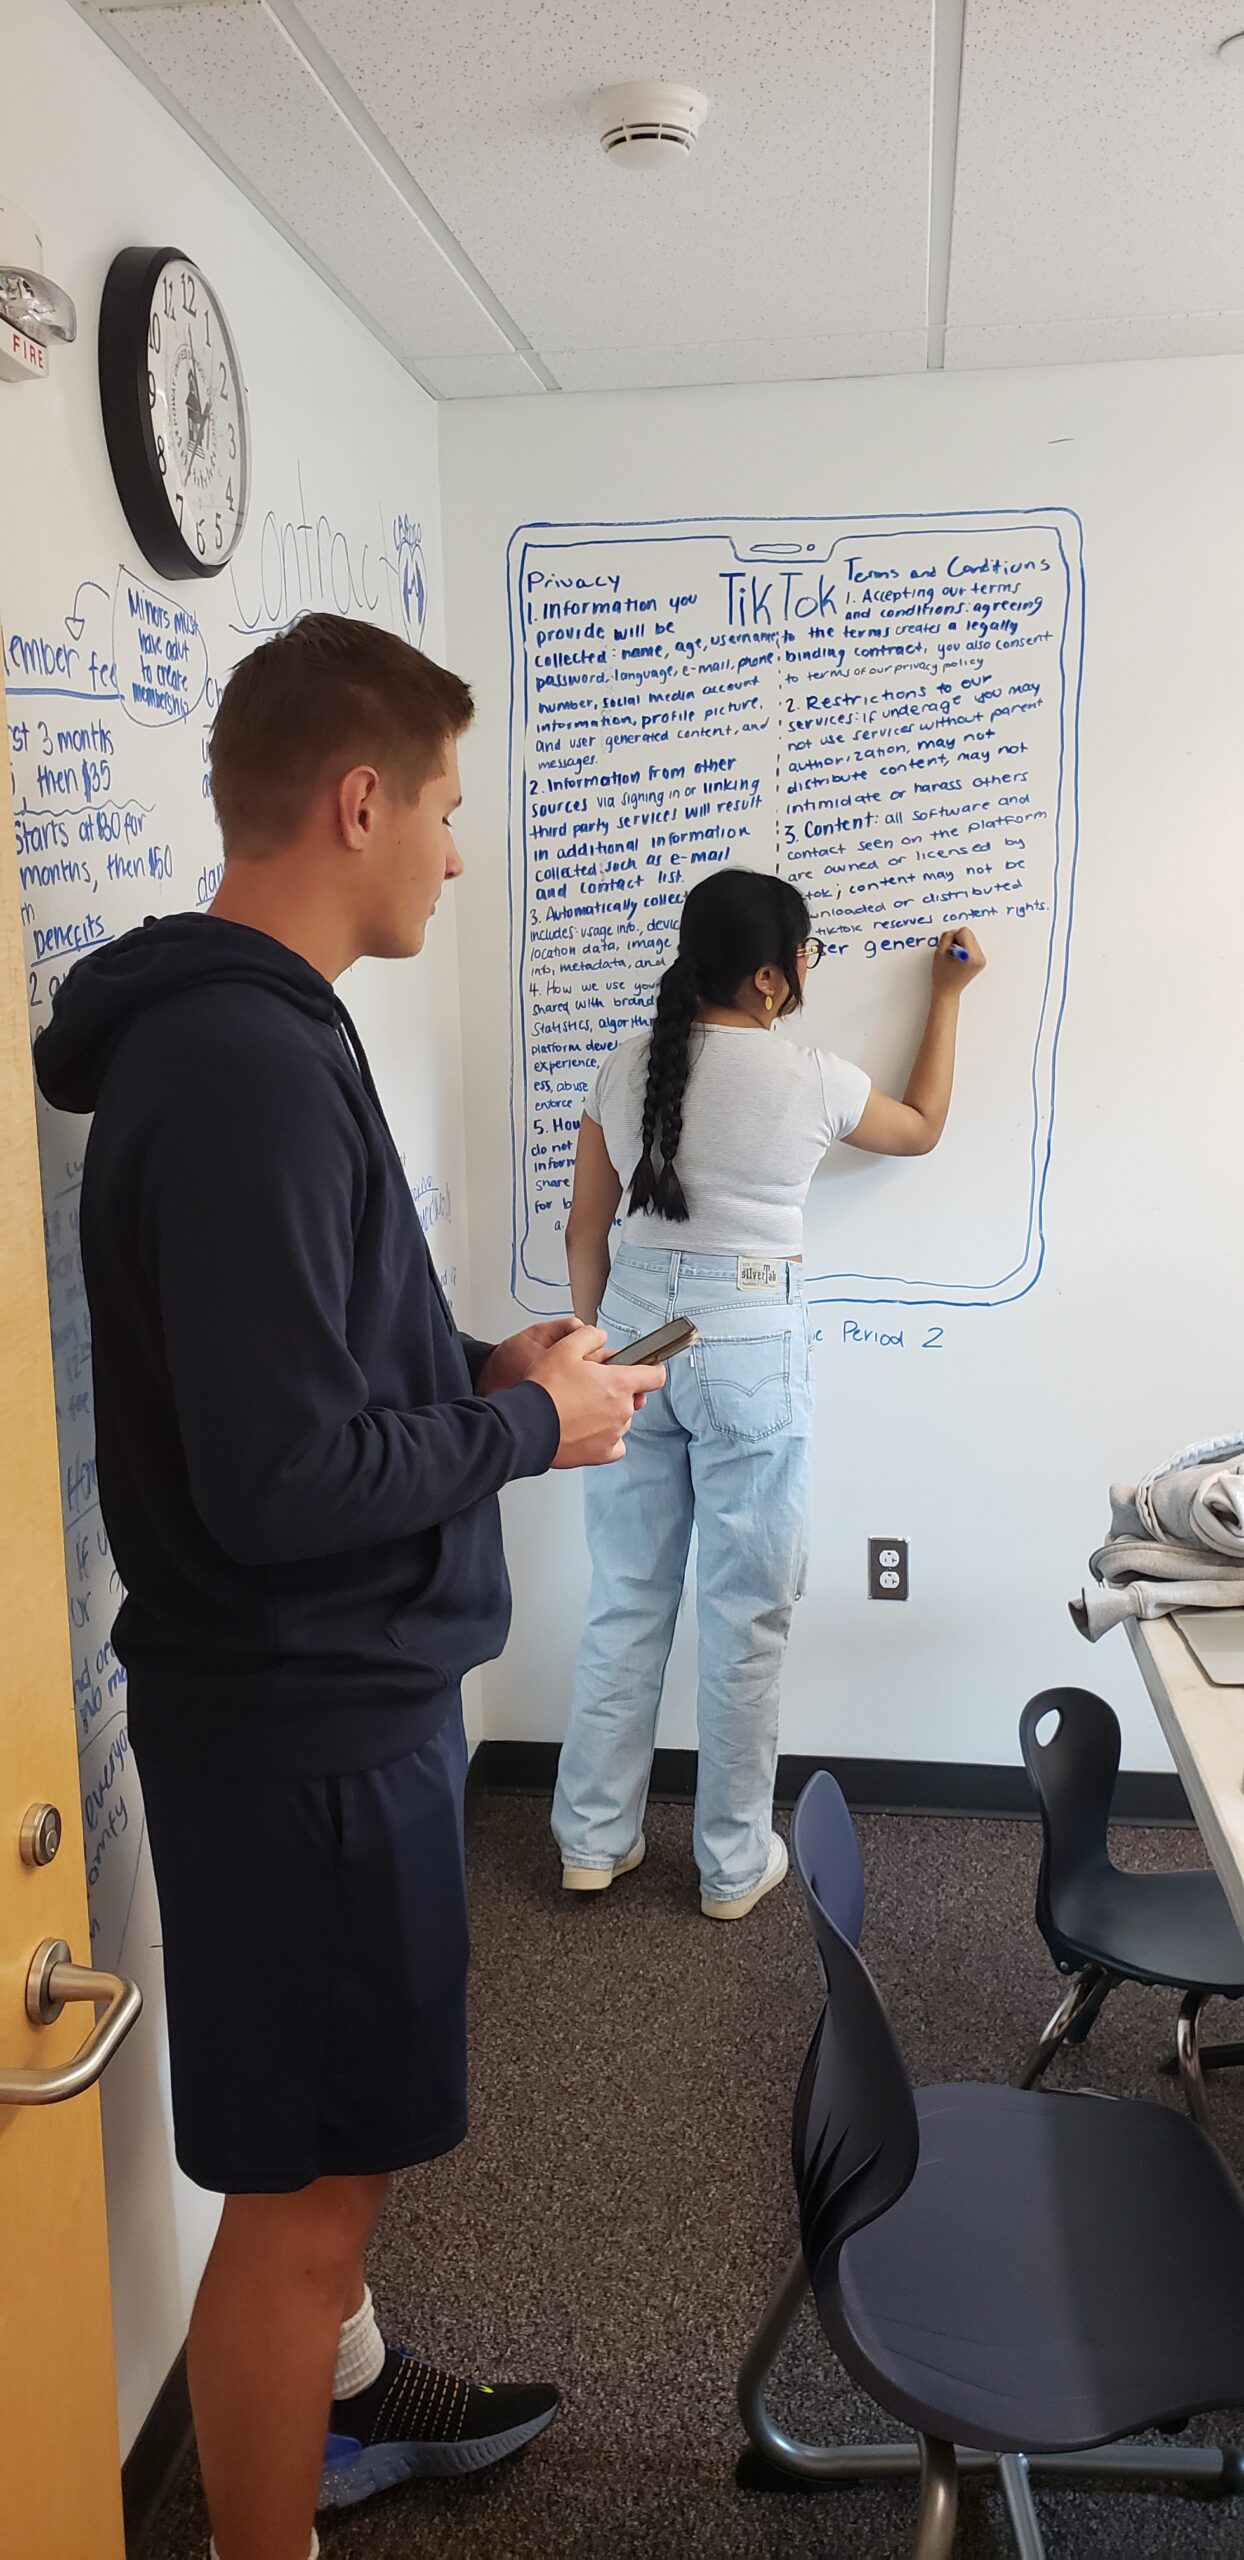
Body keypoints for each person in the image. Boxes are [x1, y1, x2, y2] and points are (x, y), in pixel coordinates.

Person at [34, 613, 662, 2560]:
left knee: (333, 2171)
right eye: (448, 810)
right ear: (361, 796)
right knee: (304, 2201)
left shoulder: (264, 1027)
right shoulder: (234, 1063)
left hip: (330, 1711)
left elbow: (305, 1373)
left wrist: (477, 1369)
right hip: (305, 1733)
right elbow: (283, 1473)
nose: (455, 855)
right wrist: (523, 1438)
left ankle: (355, 2396)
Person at [552, 867, 984, 1918]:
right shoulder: (809, 1078)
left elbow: (583, 1232)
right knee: (745, 1615)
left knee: (624, 1597)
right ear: (764, 976)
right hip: (747, 1337)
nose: (807, 972)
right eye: (806, 954)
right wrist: (946, 995)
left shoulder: (621, 1069)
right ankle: (730, 1865)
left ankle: (590, 1840)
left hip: (631, 1343)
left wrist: (591, 1348)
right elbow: (922, 1123)